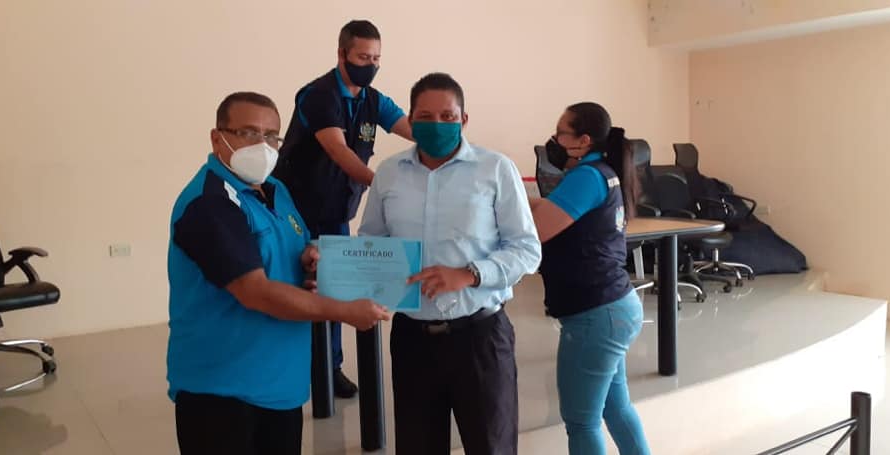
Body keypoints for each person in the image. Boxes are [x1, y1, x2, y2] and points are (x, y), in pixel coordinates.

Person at [166, 91, 390, 455]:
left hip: (280, 387)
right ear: (217, 138)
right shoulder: (210, 203)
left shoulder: (276, 191)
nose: (263, 145)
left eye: (272, 136)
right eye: (248, 133)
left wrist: (311, 256)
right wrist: (345, 311)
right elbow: (255, 292)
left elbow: (290, 249)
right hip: (224, 392)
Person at [359, 72, 541, 455]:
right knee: (418, 446)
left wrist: (470, 275)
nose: (437, 124)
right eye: (425, 117)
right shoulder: (389, 173)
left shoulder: (495, 169)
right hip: (412, 339)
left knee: (491, 446)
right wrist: (338, 268)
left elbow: (526, 248)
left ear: (464, 119)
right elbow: (372, 241)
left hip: (480, 336)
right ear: (410, 120)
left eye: (447, 116)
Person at [273, 19, 413, 397]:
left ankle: (329, 368)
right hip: (295, 211)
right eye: (363, 57)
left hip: (336, 210)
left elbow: (410, 127)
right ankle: (294, 366)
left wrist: (441, 137)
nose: (371, 64)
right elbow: (338, 150)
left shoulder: (373, 100)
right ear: (342, 54)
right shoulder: (319, 95)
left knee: (334, 286)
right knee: (296, 288)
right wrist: (383, 185)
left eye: (376, 58)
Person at [528, 102, 651, 455]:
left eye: (560, 133)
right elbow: (550, 209)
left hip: (595, 315)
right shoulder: (602, 172)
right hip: (615, 307)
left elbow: (538, 229)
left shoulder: (586, 177)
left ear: (583, 140)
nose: (553, 140)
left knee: (582, 422)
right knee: (616, 408)